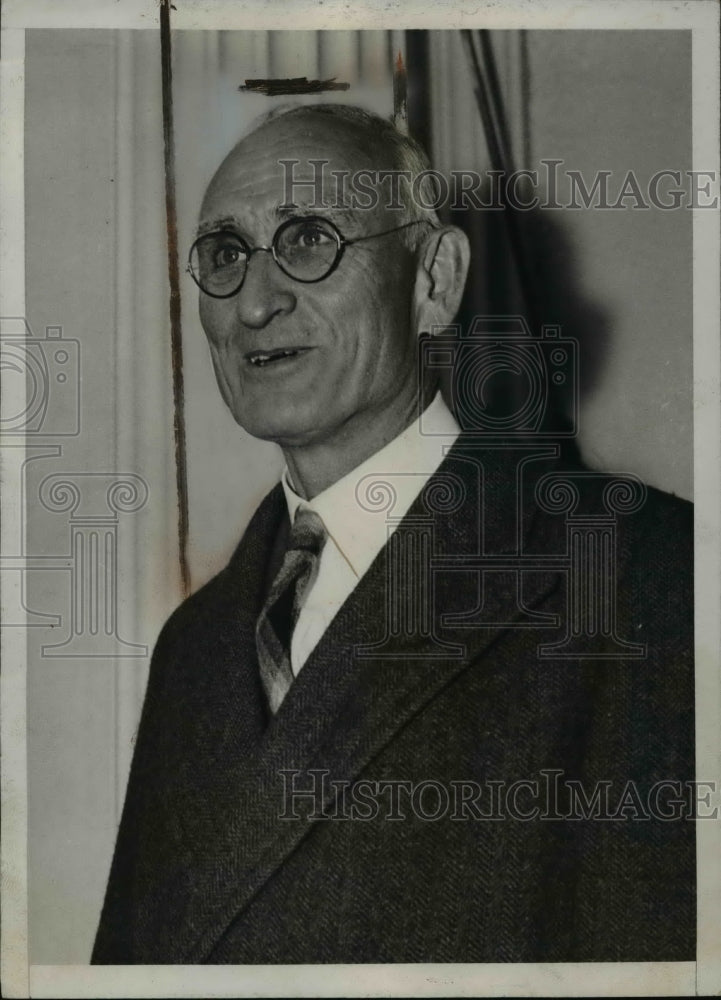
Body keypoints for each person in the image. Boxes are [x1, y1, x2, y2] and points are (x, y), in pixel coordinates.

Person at [92, 104, 694, 964]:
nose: (256, 303)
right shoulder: (194, 647)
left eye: (308, 240)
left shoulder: (646, 572)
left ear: (433, 280)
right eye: (225, 257)